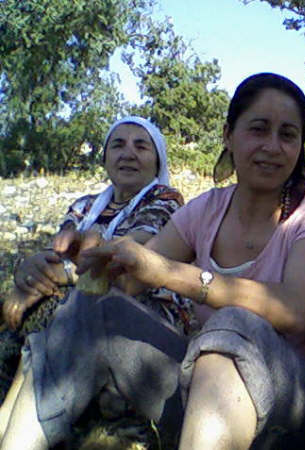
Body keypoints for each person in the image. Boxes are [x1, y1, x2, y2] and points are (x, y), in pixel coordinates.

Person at [1, 73, 305, 450]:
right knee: (92, 305)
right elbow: (133, 278)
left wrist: (172, 274)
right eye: (258, 129)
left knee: (234, 322)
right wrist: (92, 257)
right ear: (229, 136)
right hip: (209, 400)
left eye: (287, 135)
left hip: (290, 406)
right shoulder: (207, 208)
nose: (272, 146)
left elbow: (294, 309)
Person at [0, 116, 185, 447]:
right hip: (79, 300)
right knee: (36, 309)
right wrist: (25, 277)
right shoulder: (84, 206)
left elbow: (130, 255)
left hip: (140, 305)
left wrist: (62, 273)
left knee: (58, 311)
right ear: (105, 157)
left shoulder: (166, 200)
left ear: (157, 161)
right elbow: (54, 256)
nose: (128, 153)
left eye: (141, 146)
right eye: (118, 145)